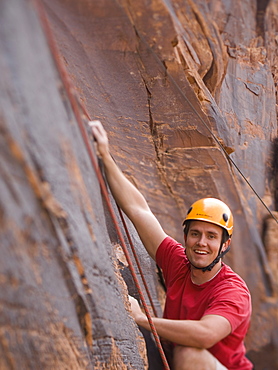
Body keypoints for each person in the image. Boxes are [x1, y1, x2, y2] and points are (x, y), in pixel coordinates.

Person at [90, 120, 253, 370]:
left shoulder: (232, 292)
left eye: (212, 236)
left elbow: (205, 334)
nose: (201, 243)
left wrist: (142, 319)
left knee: (189, 354)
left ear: (224, 245)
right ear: (185, 236)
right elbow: (139, 211)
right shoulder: (177, 261)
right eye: (195, 233)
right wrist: (105, 156)